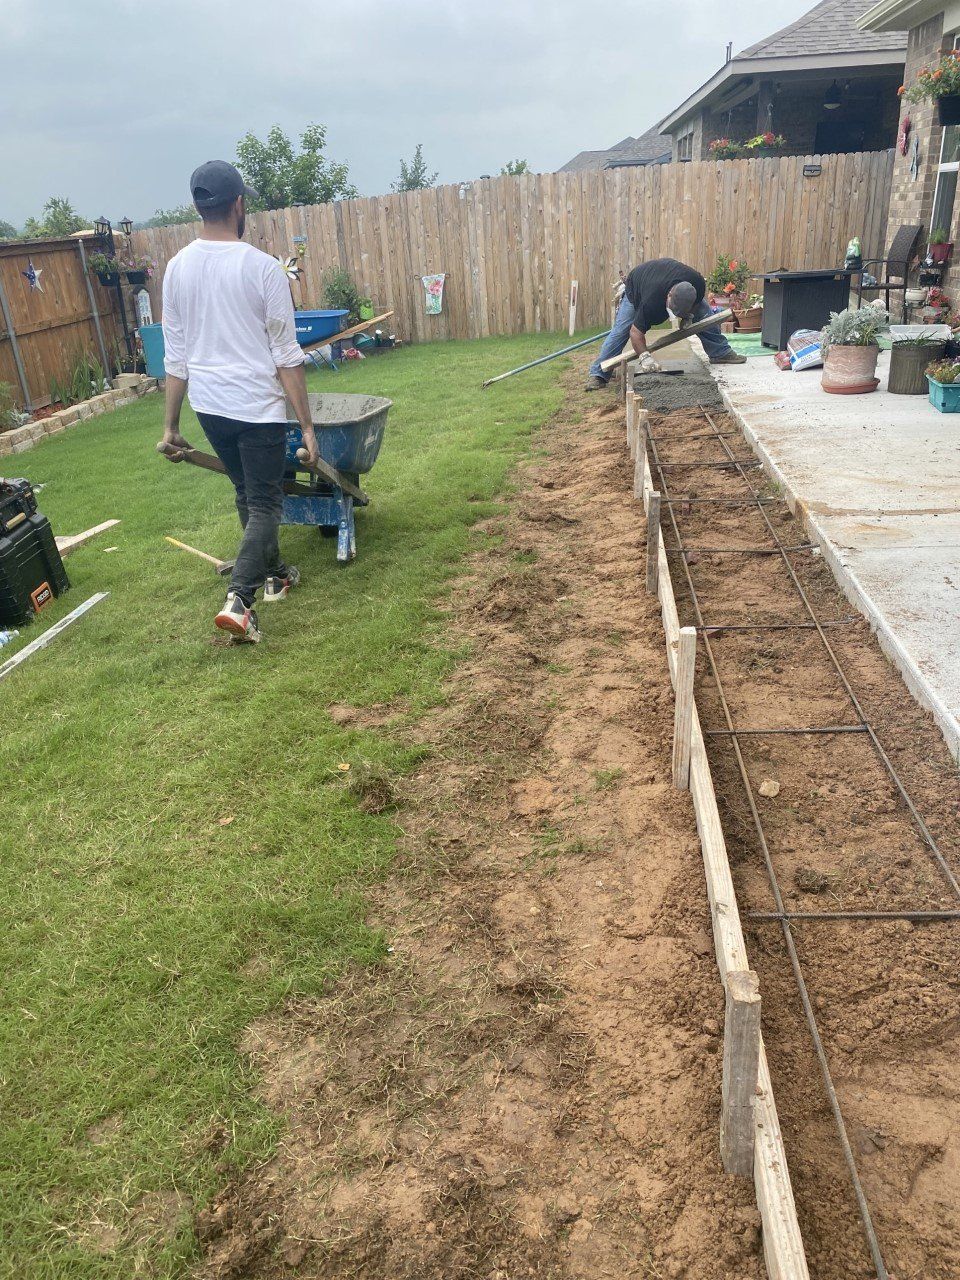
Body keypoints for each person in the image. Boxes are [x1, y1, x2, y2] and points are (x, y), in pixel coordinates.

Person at [160, 160, 319, 644]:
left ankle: (275, 576)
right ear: (238, 204)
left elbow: (176, 355)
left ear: (199, 207)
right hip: (254, 408)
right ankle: (241, 599)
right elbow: (286, 355)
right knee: (267, 500)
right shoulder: (263, 268)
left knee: (245, 492)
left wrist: (170, 425)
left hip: (210, 408)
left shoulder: (176, 268)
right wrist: (307, 427)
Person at [585, 257, 746, 389]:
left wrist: (688, 316)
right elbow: (636, 332)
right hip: (636, 285)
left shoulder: (696, 283)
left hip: (666, 277)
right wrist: (644, 356)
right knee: (621, 330)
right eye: (674, 310)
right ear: (669, 295)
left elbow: (697, 304)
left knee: (705, 315)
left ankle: (720, 352)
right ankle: (598, 374)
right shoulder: (651, 301)